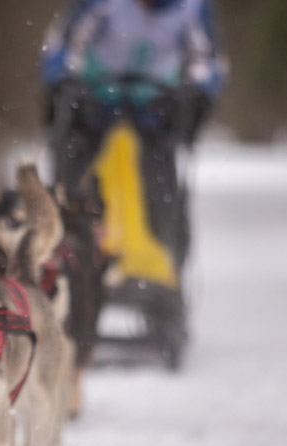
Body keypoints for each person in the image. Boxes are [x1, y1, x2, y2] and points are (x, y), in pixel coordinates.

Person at [41, 0, 227, 267]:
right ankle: (62, 251)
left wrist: (196, 90)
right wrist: (65, 78)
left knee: (161, 186)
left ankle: (167, 261)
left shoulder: (192, 8)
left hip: (155, 103)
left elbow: (209, 61)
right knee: (70, 177)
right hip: (96, 97)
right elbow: (63, 45)